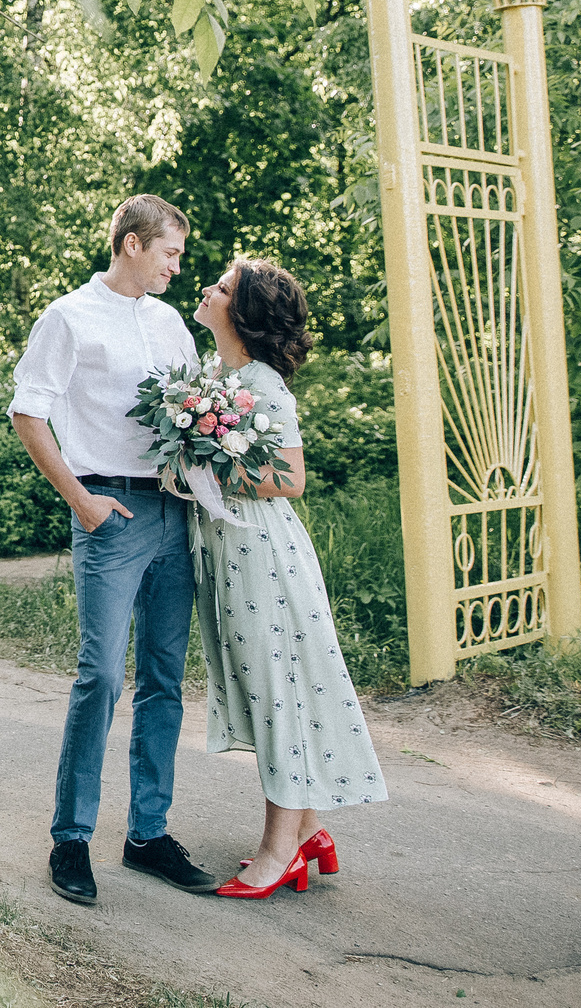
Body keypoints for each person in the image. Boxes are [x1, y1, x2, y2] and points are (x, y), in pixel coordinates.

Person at [11, 195, 220, 905]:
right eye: (170, 252)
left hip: (175, 511)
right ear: (133, 243)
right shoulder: (68, 317)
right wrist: (82, 500)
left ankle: (147, 835)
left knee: (164, 678)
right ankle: (70, 838)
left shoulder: (169, 324)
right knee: (100, 675)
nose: (177, 266)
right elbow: (28, 412)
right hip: (109, 513)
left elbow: (195, 414)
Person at [187, 259, 387, 901]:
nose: (207, 289)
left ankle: (280, 853)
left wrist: (210, 469)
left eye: (222, 287)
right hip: (229, 551)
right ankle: (308, 829)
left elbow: (291, 479)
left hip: (262, 556)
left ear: (242, 313)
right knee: (265, 686)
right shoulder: (218, 376)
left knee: (278, 692)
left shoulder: (263, 386)